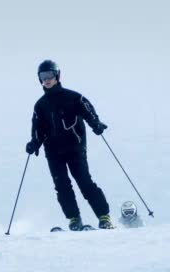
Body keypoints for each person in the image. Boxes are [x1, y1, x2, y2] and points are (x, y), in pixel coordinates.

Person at [26, 60, 113, 230]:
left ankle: (104, 217)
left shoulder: (73, 97)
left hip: (75, 147)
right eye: (42, 77)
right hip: (53, 152)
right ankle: (74, 219)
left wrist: (96, 124)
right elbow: (38, 129)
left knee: (84, 181)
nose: (47, 79)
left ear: (57, 76)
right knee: (62, 186)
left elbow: (88, 111)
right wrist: (34, 143)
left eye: (49, 75)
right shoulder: (40, 105)